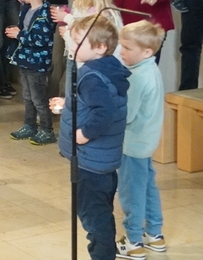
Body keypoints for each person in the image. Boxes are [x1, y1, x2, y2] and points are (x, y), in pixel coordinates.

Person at [49, 15, 129, 260]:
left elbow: (105, 112)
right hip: (101, 162)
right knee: (100, 212)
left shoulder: (92, 77)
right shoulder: (105, 69)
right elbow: (96, 101)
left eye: (78, 42)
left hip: (90, 163)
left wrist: (84, 134)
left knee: (93, 217)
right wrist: (69, 103)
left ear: (100, 47)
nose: (72, 46)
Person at [115, 21, 167, 259]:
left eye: (127, 48)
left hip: (132, 145)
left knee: (131, 193)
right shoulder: (151, 68)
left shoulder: (136, 77)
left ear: (147, 51)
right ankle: (155, 234)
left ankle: (133, 242)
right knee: (147, 187)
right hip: (146, 142)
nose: (121, 52)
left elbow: (126, 114)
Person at [5, 0, 55, 145]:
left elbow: (41, 40)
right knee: (27, 96)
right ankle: (30, 125)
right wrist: (17, 33)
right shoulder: (26, 9)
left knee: (38, 98)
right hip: (25, 59)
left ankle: (47, 130)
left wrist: (19, 35)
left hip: (37, 63)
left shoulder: (44, 14)